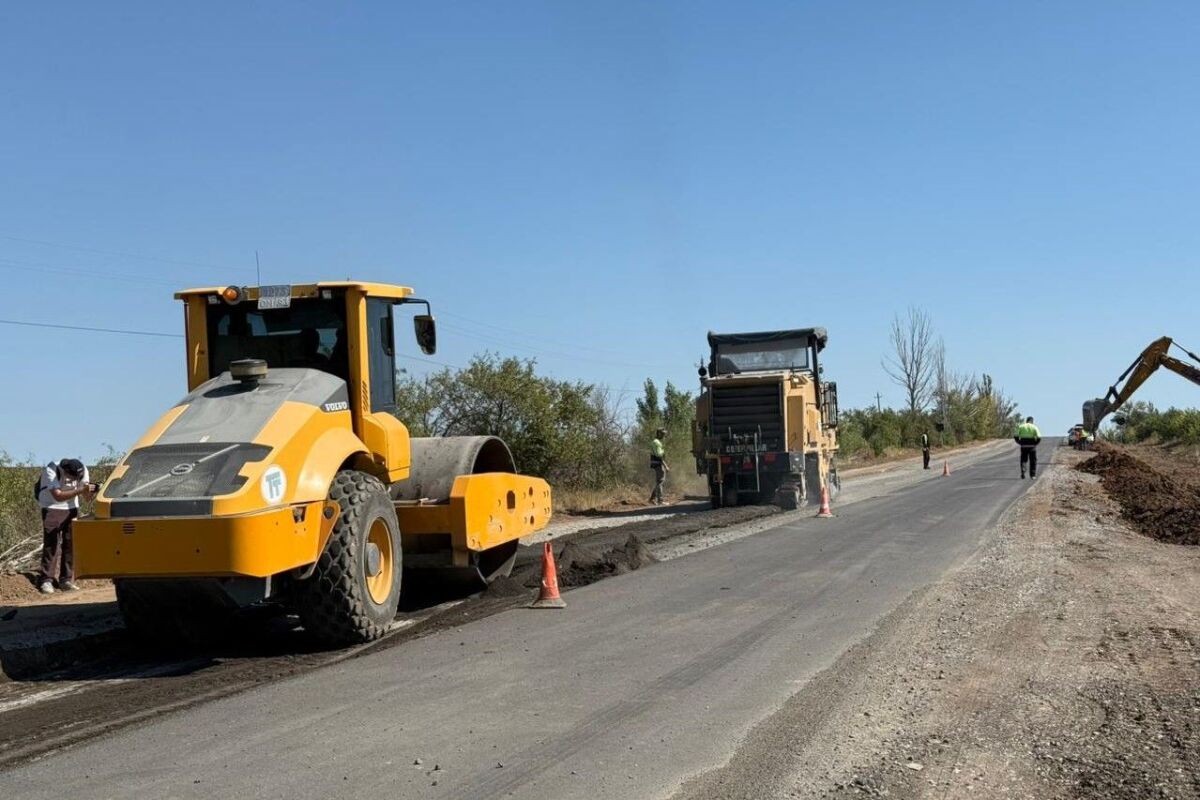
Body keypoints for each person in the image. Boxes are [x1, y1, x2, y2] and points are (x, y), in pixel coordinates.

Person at [36, 458, 97, 594]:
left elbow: (86, 497)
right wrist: (80, 490)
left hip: (71, 508)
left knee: (70, 543)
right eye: (73, 477)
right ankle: (46, 580)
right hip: (51, 506)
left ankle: (66, 579)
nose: (76, 479)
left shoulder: (82, 470)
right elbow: (57, 496)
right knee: (51, 543)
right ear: (66, 472)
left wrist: (92, 490)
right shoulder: (52, 470)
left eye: (78, 477)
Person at [649, 428, 669, 505]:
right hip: (658, 463)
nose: (664, 436)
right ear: (659, 434)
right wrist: (665, 465)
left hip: (657, 463)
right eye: (663, 434)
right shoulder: (656, 442)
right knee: (660, 482)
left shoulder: (657, 442)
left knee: (659, 482)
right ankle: (660, 500)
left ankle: (652, 499)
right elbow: (659, 456)